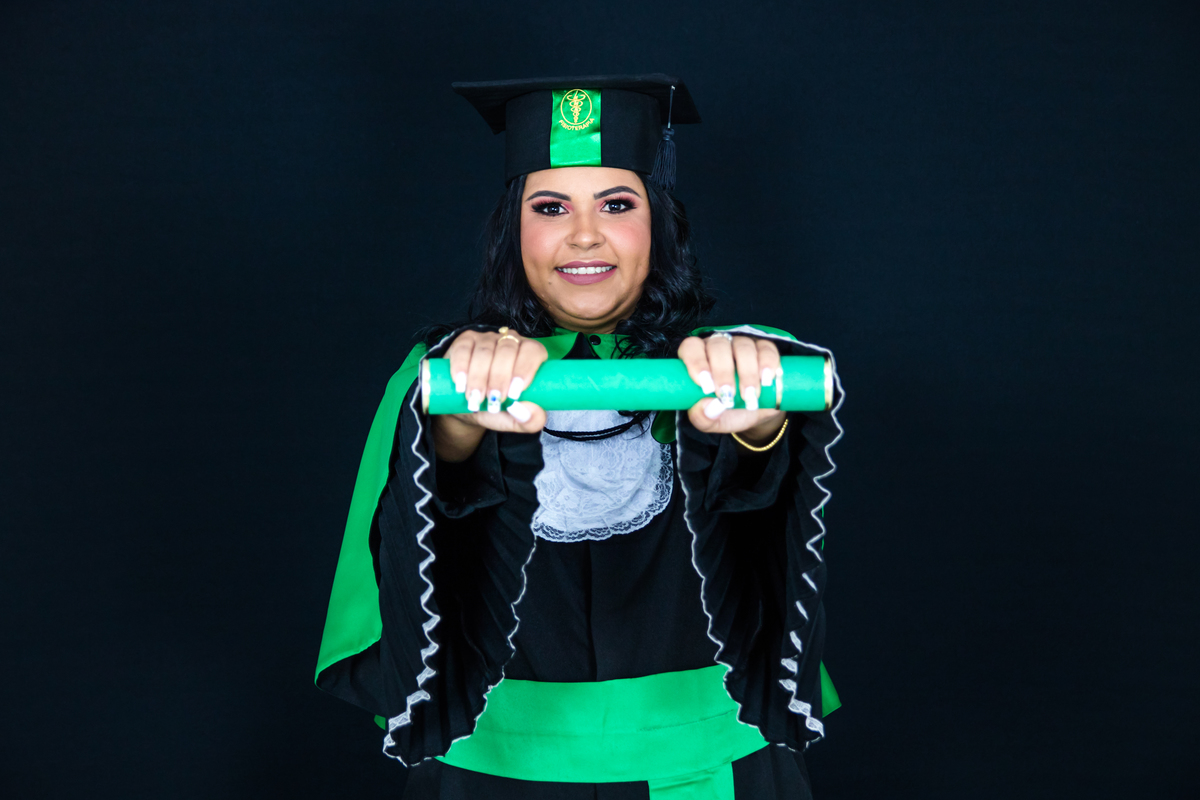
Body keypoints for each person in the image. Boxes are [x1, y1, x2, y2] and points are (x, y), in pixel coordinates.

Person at [315, 74, 844, 800]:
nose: (585, 234)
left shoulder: (728, 359)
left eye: (617, 204)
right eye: (551, 207)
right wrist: (459, 420)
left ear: (657, 222)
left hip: (706, 769)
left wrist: (757, 422)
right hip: (496, 770)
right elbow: (425, 526)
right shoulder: (443, 374)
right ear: (515, 227)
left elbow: (764, 502)